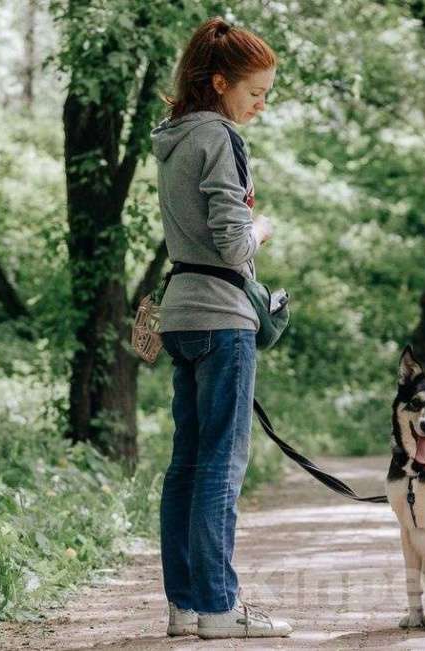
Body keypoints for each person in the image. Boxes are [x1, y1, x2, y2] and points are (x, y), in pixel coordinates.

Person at [149, 16, 291, 639]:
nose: (261, 104)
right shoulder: (220, 138)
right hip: (222, 318)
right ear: (219, 83)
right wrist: (263, 229)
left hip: (181, 313)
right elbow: (234, 244)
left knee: (186, 464)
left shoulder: (174, 137)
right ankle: (218, 608)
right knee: (220, 467)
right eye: (255, 92)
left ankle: (185, 606)